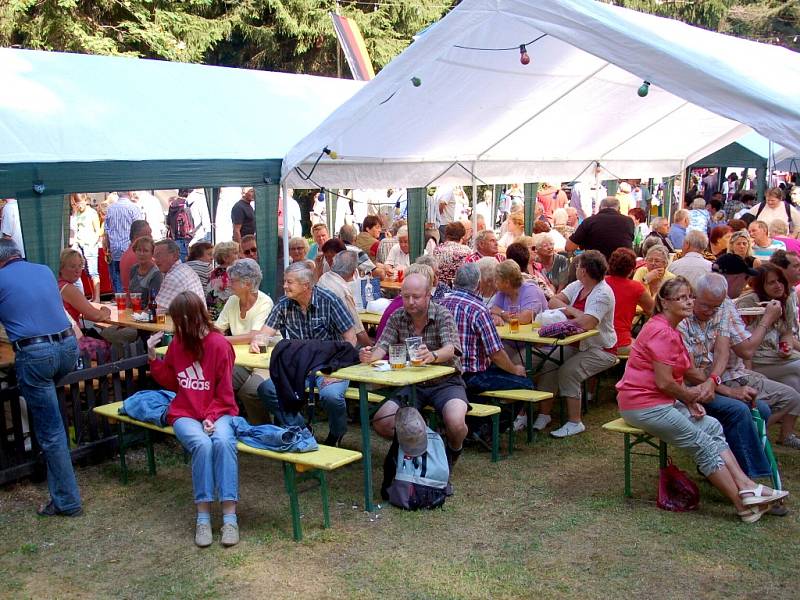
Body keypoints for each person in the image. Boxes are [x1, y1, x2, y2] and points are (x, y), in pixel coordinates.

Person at [615, 277, 788, 523]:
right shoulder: (662, 331)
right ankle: (743, 506)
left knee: (712, 426)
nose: (688, 302)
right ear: (664, 302)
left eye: (690, 296)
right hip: (643, 405)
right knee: (701, 442)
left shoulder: (669, 328)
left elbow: (690, 370)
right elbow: (665, 382)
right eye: (681, 298)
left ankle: (747, 486)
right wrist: (689, 397)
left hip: (660, 402)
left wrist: (698, 394)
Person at [360, 272, 469, 489]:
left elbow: (451, 349)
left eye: (416, 297)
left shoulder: (442, 314)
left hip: (446, 381)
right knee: (382, 422)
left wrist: (433, 355)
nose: (410, 302)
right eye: (406, 296)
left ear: (429, 295)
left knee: (456, 424)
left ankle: (451, 453)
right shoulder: (397, 316)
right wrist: (368, 354)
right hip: (412, 384)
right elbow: (381, 347)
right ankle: (425, 447)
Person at [147, 291, 239, 547]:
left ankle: (230, 518)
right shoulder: (179, 343)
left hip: (218, 410)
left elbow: (225, 393)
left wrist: (210, 416)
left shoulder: (219, 345)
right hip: (185, 411)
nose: (173, 326)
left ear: (187, 319)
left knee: (222, 442)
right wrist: (153, 357)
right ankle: (203, 517)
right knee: (202, 444)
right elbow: (172, 382)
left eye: (176, 320)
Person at [0, 239, 81, 516]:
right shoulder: (44, 270)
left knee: (51, 431)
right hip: (68, 349)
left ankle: (67, 501)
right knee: (51, 412)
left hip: (36, 354)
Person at [676, 274, 780, 481]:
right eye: (705, 305)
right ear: (693, 296)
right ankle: (752, 479)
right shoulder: (681, 318)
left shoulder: (722, 307)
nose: (710, 311)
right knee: (739, 410)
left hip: (711, 383)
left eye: (715, 307)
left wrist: (713, 381)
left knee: (762, 409)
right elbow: (688, 370)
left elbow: (723, 351)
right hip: (685, 388)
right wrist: (728, 390)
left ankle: (725, 468)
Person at [255, 262, 357, 446]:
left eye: (289, 282)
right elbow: (265, 333)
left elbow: (351, 340)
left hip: (330, 365)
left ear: (306, 285)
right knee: (267, 389)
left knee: (332, 395)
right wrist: (258, 340)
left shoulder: (330, 300)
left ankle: (337, 433)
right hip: (299, 366)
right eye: (285, 281)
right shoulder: (283, 304)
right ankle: (301, 429)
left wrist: (336, 371)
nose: (284, 286)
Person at [535, 251, 618, 437]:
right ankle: (544, 414)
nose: (576, 269)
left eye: (578, 266)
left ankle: (575, 422)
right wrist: (572, 311)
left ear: (584, 271)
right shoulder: (578, 285)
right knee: (548, 364)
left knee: (568, 371)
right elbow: (553, 301)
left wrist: (568, 313)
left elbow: (587, 323)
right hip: (575, 344)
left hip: (601, 348)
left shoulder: (603, 293)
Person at [735, 265, 800, 448]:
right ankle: (752, 436)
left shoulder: (784, 300)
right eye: (771, 282)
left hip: (774, 357)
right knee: (798, 367)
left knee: (794, 382)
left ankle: (783, 434)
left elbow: (787, 333)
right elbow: (742, 341)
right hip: (752, 358)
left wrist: (785, 346)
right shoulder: (749, 303)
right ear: (760, 285)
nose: (778, 286)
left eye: (780, 281)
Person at [215, 259, 273, 424]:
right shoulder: (233, 300)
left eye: (232, 281)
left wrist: (221, 340)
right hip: (241, 360)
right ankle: (222, 424)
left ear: (247, 284)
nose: (228, 284)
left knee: (251, 391)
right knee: (215, 377)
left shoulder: (264, 303)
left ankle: (262, 430)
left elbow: (254, 336)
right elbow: (218, 328)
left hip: (265, 362)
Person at [318, 250, 371, 347]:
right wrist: (372, 349)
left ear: (333, 264)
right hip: (339, 344)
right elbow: (358, 331)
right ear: (354, 271)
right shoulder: (342, 291)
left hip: (322, 340)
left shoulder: (324, 277)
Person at [605, 248, 653, 354]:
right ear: (632, 269)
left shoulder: (601, 282)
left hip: (596, 340)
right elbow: (654, 311)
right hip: (620, 342)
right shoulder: (636, 288)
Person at [565, 196, 634, 259]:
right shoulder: (628, 221)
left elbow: (569, 247)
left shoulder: (589, 222)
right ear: (619, 209)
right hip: (622, 267)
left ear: (599, 208)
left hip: (596, 267)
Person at [58, 249, 112, 326]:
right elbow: (95, 316)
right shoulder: (67, 288)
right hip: (70, 335)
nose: (77, 270)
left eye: (80, 266)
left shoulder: (56, 283)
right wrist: (106, 311)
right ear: (61, 268)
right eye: (72, 266)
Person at [103, 191, 144, 292]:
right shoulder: (133, 208)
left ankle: (120, 301)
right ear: (129, 193)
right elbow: (139, 229)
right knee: (132, 277)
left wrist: (107, 247)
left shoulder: (110, 209)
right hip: (130, 248)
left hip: (115, 247)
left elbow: (106, 231)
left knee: (117, 276)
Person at [489, 260, 548, 329]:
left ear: (507, 283)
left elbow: (524, 319)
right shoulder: (502, 291)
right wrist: (497, 317)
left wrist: (502, 313)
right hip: (514, 335)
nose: (494, 282)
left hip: (538, 336)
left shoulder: (531, 290)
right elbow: (493, 309)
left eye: (496, 279)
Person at [153, 239, 205, 314]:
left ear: (174, 256)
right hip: (197, 322)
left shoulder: (173, 277)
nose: (155, 260)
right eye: (154, 257)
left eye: (158, 255)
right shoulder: (185, 268)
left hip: (187, 324)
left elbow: (156, 310)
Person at [72, 193, 101, 302]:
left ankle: (97, 297)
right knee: (86, 272)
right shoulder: (78, 213)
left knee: (93, 271)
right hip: (79, 243)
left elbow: (98, 230)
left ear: (85, 200)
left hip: (90, 245)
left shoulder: (92, 213)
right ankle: (93, 295)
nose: (79, 205)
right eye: (76, 203)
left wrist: (92, 243)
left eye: (80, 202)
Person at [206, 242, 240, 320]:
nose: (239, 256)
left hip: (212, 314)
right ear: (225, 258)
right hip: (226, 315)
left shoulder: (213, 273)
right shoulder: (232, 275)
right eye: (235, 253)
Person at [432, 222, 473, 287]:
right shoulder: (467, 251)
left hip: (440, 288)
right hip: (460, 289)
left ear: (446, 234)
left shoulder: (437, 250)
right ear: (462, 235)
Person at [127, 236, 162, 307]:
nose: (141, 254)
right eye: (139, 250)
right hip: (132, 311)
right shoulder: (134, 269)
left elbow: (152, 303)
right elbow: (130, 296)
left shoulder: (156, 274)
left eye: (145, 251)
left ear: (152, 253)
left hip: (146, 314)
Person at [120, 220, 152, 293]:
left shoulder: (127, 254)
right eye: (148, 235)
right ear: (136, 237)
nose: (151, 237)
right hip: (139, 300)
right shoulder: (140, 256)